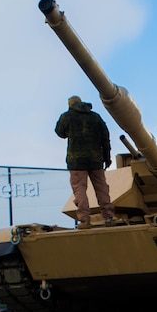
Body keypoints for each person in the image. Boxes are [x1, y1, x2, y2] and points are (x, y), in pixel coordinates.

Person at [55, 95, 117, 229]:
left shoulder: (67, 116)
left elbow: (60, 132)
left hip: (76, 161)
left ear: (70, 105)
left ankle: (84, 219)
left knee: (80, 189)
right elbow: (105, 138)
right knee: (101, 188)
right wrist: (107, 157)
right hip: (96, 160)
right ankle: (108, 217)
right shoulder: (95, 117)